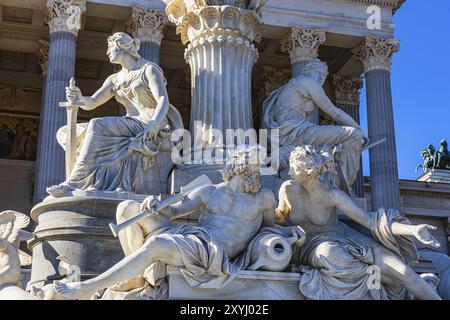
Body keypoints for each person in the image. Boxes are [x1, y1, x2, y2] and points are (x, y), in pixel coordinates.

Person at [54, 146, 276, 300]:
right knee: (127, 207)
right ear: (237, 164)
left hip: (212, 252)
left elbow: (270, 227)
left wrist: (286, 237)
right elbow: (173, 212)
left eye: (257, 166)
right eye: (253, 164)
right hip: (194, 238)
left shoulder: (263, 198)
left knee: (157, 244)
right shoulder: (209, 191)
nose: (256, 169)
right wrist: (153, 203)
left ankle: (88, 287)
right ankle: (137, 277)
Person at [275, 145, 442, 300]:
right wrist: (267, 209)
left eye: (294, 168)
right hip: (313, 244)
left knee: (403, 271)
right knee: (329, 254)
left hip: (347, 238)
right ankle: (385, 283)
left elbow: (371, 221)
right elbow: (280, 216)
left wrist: (412, 229)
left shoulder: (332, 195)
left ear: (309, 170)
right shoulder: (288, 189)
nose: (290, 171)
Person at [47, 32, 183, 197]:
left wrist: (154, 123)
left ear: (122, 48)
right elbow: (93, 102)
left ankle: (75, 181)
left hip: (148, 121)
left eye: (110, 48)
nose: (107, 52)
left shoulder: (149, 70)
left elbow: (162, 99)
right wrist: (79, 98)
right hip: (130, 123)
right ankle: (93, 179)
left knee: (97, 125)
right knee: (65, 132)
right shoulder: (115, 79)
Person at [263, 59, 368, 186]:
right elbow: (334, 112)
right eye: (319, 74)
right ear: (311, 71)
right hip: (296, 132)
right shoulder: (308, 81)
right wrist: (359, 129)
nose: (321, 79)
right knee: (353, 134)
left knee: (328, 149)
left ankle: (334, 181)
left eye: (323, 76)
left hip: (292, 132)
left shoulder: (294, 84)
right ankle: (344, 184)